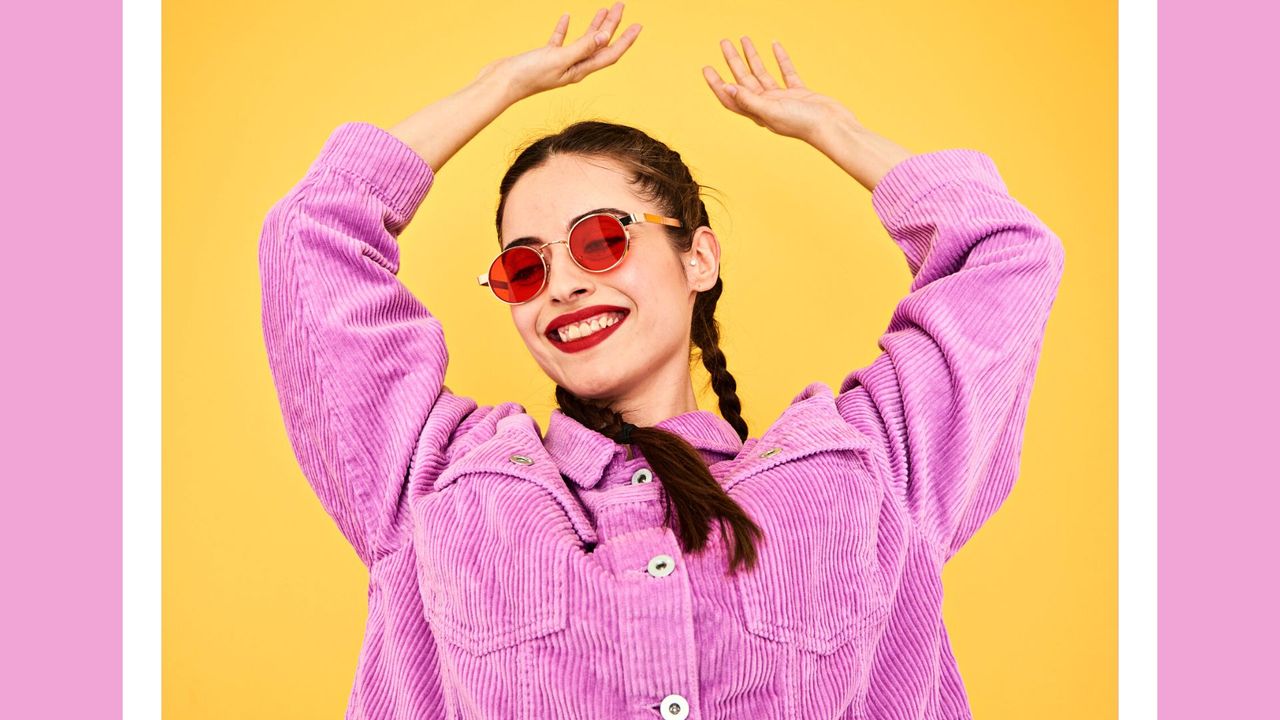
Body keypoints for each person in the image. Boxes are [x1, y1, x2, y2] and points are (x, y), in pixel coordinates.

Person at [258, 3, 1065, 718]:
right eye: (524, 267)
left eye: (600, 239)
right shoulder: (433, 487)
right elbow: (310, 238)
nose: (565, 285)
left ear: (698, 260)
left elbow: (1005, 259)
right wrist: (492, 90)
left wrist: (835, 130)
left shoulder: (866, 476)